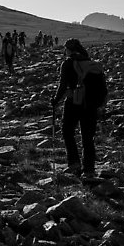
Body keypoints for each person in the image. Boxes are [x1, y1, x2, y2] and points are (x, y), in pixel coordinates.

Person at [50, 38, 99, 177]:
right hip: (91, 103)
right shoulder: (89, 63)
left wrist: (55, 100)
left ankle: (74, 163)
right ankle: (89, 169)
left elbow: (63, 85)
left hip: (73, 101)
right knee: (87, 137)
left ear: (69, 49)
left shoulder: (68, 63)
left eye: (65, 49)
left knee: (67, 132)